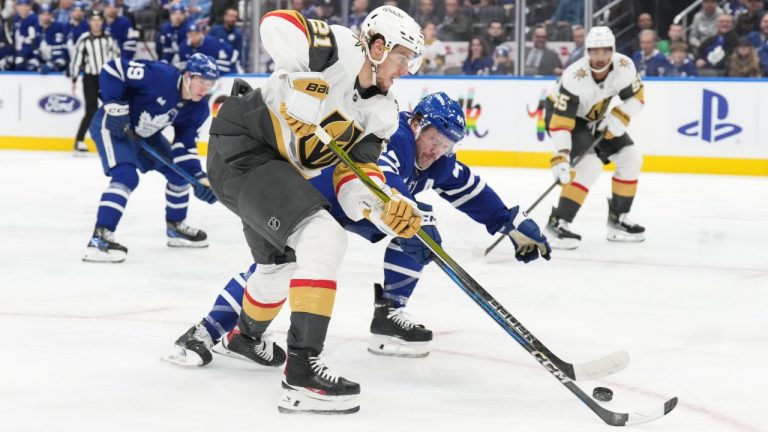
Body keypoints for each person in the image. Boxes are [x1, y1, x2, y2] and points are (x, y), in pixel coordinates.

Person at [167, 92, 550, 366]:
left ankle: (388, 315)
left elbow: (470, 190)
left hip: (352, 209)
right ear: (418, 125)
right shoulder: (394, 135)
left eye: (446, 145)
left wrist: (511, 223)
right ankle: (206, 330)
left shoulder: (438, 160)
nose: (437, 150)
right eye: (434, 139)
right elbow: (383, 179)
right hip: (304, 200)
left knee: (412, 231)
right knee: (276, 270)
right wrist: (418, 216)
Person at [202, 5, 425, 415]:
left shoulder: (383, 113)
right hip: (241, 148)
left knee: (280, 266)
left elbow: (353, 181)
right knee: (323, 236)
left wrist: (384, 208)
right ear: (378, 46)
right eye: (403, 57)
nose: (407, 69)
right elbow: (275, 23)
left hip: (273, 171)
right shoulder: (337, 47)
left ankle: (245, 338)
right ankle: (301, 371)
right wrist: (308, 86)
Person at [82, 53, 219, 263]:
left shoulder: (198, 108)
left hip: (146, 133)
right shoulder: (160, 76)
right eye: (201, 81)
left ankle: (175, 227)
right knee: (126, 176)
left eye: (209, 83)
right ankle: (100, 238)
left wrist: (198, 178)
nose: (205, 88)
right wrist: (115, 106)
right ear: (188, 76)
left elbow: (185, 145)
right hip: (113, 126)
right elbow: (113, 68)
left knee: (179, 175)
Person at [545, 26, 646, 249]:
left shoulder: (625, 67)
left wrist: (623, 114)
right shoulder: (573, 76)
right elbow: (561, 122)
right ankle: (559, 222)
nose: (599, 58)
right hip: (566, 119)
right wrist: (562, 155)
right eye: (594, 51)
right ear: (587, 52)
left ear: (613, 51)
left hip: (597, 117)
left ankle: (618, 219)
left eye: (604, 51)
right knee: (589, 165)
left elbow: (638, 96)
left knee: (631, 157)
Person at [70, 9, 120, 154]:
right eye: (93, 20)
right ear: (89, 22)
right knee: (91, 110)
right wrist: (74, 79)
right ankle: (79, 141)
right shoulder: (84, 39)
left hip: (107, 78)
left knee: (112, 109)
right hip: (90, 78)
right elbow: (76, 60)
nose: (96, 23)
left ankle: (113, 141)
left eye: (99, 20)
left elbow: (116, 57)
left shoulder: (109, 38)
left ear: (102, 22)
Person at [33, 4, 67, 73]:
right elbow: (35, 47)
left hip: (57, 59)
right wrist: (36, 62)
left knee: (58, 66)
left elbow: (58, 50)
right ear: (39, 15)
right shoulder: (36, 27)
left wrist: (50, 65)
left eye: (48, 14)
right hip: (42, 60)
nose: (46, 17)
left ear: (52, 15)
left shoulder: (58, 27)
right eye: (43, 14)